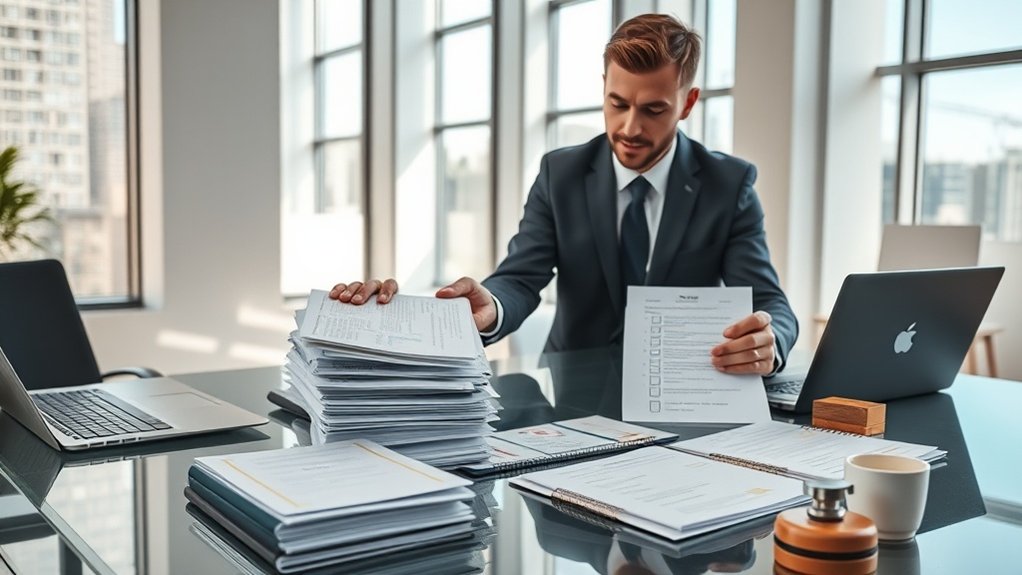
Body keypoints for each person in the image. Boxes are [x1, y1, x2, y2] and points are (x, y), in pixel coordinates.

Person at [330, 13, 797, 375]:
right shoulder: (562, 173)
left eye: (654, 109)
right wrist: (490, 307)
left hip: (684, 400)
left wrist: (769, 341)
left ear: (688, 103)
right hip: (569, 401)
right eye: (617, 104)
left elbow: (770, 303)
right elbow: (520, 277)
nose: (630, 128)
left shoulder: (728, 185)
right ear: (604, 89)